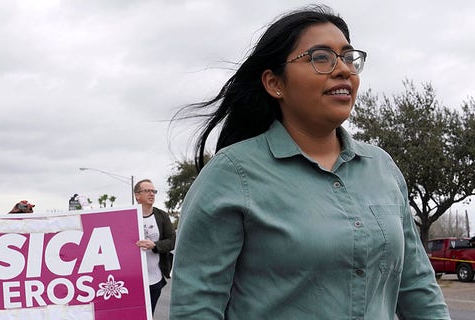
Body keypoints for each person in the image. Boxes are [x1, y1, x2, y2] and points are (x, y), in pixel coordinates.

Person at [169, 5, 449, 320]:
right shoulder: (231, 174)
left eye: (347, 57)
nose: (343, 69)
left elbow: (418, 287)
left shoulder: (382, 168)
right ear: (275, 83)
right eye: (321, 57)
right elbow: (195, 308)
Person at [133, 179, 176, 314]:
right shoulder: (129, 215)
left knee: (148, 314)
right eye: (147, 191)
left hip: (155, 279)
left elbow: (172, 241)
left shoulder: (162, 216)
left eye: (153, 191)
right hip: (133, 279)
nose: (151, 194)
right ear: (137, 195)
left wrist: (155, 245)